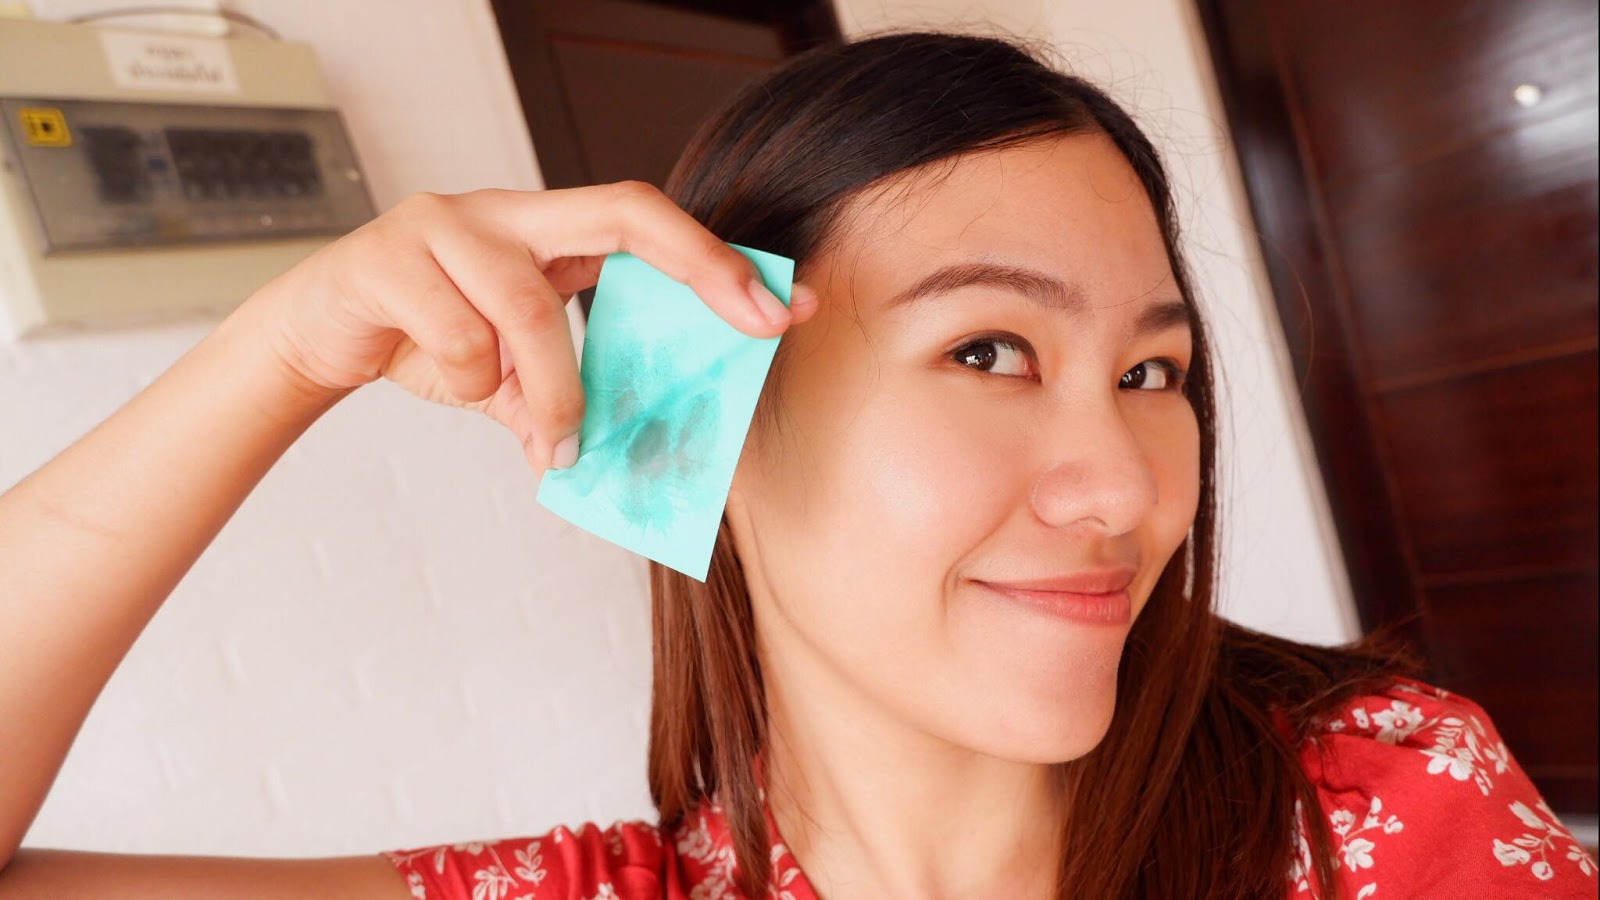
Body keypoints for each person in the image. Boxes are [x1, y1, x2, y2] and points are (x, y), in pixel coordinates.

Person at [0, 29, 1593, 900]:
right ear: (701, 417)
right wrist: (281, 353)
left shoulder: (1375, 808)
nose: (1122, 489)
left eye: (1151, 372)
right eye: (989, 351)